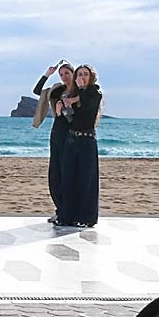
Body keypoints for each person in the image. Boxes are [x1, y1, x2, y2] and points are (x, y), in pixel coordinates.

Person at [57, 64, 103, 228]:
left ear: (91, 77)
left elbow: (89, 100)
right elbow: (72, 120)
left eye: (85, 74)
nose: (82, 77)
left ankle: (87, 218)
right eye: (79, 75)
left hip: (87, 141)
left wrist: (74, 99)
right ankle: (66, 216)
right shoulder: (73, 94)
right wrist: (62, 109)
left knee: (86, 180)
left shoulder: (94, 92)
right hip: (71, 140)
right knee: (68, 180)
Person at [31, 60, 76, 223]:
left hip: (72, 135)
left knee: (68, 175)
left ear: (73, 74)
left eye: (67, 73)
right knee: (55, 175)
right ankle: (60, 210)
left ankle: (68, 211)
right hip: (57, 133)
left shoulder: (80, 92)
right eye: (61, 74)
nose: (64, 77)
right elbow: (37, 91)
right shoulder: (58, 90)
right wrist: (47, 74)